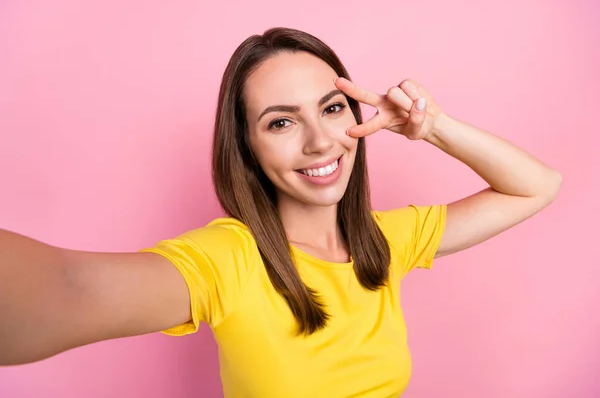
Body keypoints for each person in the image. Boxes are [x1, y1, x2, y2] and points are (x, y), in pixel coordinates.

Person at [0, 27, 561, 397]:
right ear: (246, 147)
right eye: (281, 121)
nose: (321, 142)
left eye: (332, 108)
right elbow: (70, 288)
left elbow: (535, 187)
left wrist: (433, 127)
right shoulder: (229, 259)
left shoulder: (383, 243)